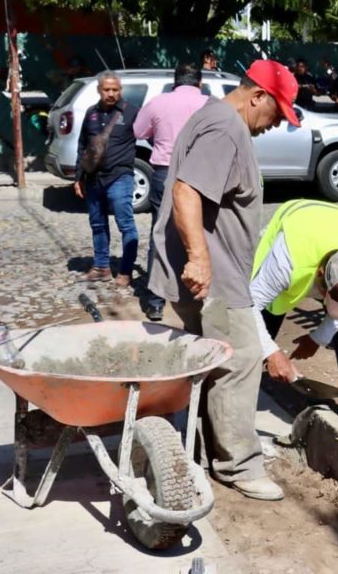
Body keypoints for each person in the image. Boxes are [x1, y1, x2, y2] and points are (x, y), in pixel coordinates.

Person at [148, 60, 300, 501]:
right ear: (257, 97)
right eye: (276, 113)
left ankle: (199, 448)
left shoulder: (216, 118)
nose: (275, 125)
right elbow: (186, 191)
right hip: (214, 276)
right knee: (240, 360)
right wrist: (199, 258)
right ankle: (238, 466)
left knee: (211, 362)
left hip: (215, 271)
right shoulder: (225, 130)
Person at [250, 199, 338, 443]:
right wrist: (271, 352)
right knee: (251, 336)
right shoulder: (286, 259)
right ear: (321, 275)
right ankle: (241, 407)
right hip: (295, 231)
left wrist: (318, 337)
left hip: (335, 231)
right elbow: (249, 305)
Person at [133, 63, 209, 321]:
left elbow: (138, 131)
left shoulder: (158, 102)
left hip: (165, 174)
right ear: (199, 83)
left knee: (162, 234)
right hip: (202, 174)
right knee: (203, 231)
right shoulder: (210, 104)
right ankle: (203, 294)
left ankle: (155, 303)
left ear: (175, 82)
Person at [73, 72, 140, 286]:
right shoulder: (91, 114)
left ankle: (126, 271)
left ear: (120, 90)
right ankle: (101, 267)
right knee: (98, 225)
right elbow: (83, 146)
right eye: (107, 89)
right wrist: (78, 177)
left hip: (120, 176)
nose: (111, 94)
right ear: (99, 90)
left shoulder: (131, 112)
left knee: (126, 224)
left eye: (115, 90)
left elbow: (151, 135)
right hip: (93, 179)